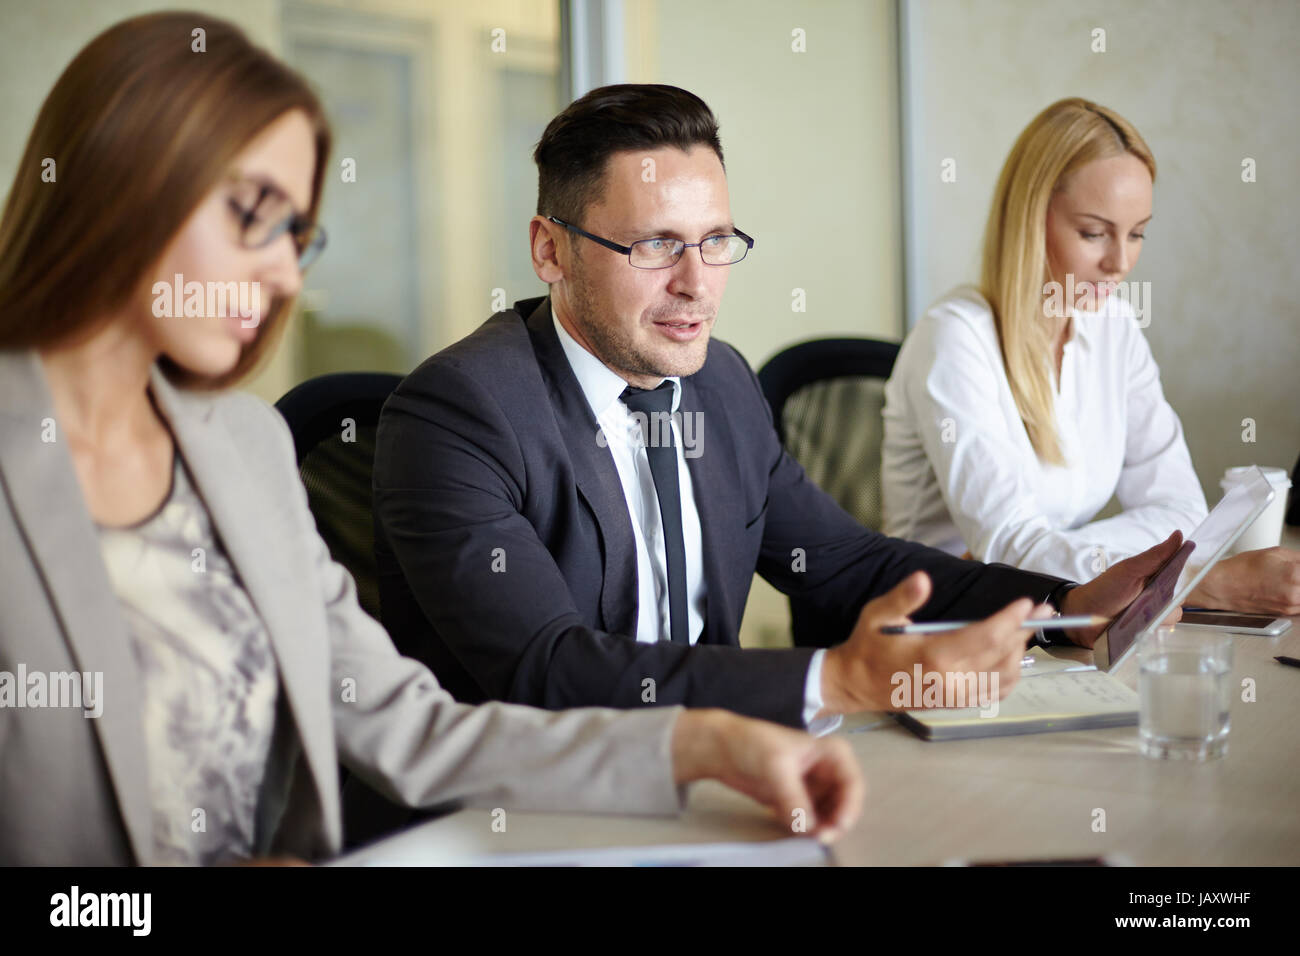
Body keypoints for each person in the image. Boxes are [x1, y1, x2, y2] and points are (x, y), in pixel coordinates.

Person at [0, 13, 866, 866]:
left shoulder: (243, 445)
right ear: (122, 188)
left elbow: (410, 728)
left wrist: (703, 747)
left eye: (298, 233)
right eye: (252, 217)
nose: (281, 271)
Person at [372, 84, 1181, 731]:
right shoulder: (459, 413)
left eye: (715, 240)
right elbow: (547, 668)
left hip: (707, 773)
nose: (697, 283)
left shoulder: (719, 384)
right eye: (656, 245)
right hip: (526, 813)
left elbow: (846, 563)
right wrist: (833, 678)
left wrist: (1063, 604)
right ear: (552, 250)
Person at [881, 97, 1300, 616]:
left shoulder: (1113, 324)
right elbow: (1010, 547)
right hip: (942, 626)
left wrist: (1077, 558)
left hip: (1059, 617)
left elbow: (1182, 513)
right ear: (1030, 219)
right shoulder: (953, 340)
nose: (1119, 262)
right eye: (1094, 233)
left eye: (1138, 233)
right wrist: (1190, 579)